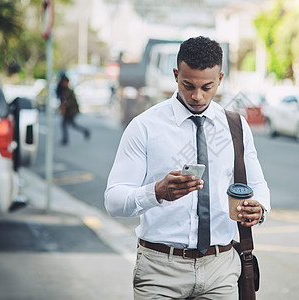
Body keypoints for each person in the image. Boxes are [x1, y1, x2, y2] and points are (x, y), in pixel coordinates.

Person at [105, 36, 270, 299]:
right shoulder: (144, 126)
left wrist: (259, 208)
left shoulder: (235, 126)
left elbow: (258, 184)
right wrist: (157, 192)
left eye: (207, 87)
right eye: (188, 85)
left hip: (220, 267)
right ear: (175, 75)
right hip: (161, 269)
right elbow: (113, 200)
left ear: (220, 78)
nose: (196, 96)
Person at [56, 74, 90, 145]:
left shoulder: (69, 91)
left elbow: (72, 102)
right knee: (68, 125)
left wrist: (66, 104)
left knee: (70, 125)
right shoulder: (64, 90)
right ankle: (66, 139)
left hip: (70, 112)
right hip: (68, 112)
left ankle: (84, 131)